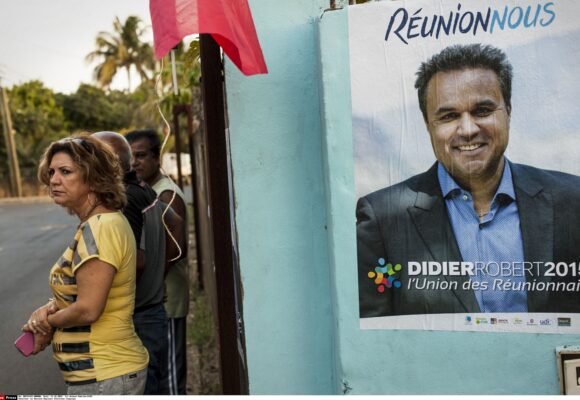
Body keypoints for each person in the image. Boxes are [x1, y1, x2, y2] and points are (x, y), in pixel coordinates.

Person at [357, 43, 580, 317]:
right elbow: (372, 340)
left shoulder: (573, 201)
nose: (468, 129)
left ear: (508, 111)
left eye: (483, 111)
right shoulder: (382, 220)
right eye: (449, 116)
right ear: (428, 125)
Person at [23, 135, 149, 394]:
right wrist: (50, 308)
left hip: (105, 374)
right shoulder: (98, 224)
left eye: (65, 171)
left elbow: (89, 309)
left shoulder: (101, 228)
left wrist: (48, 324)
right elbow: (85, 291)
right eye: (52, 172)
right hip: (102, 375)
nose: (54, 180)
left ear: (93, 177)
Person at [92, 131, 183, 394]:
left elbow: (136, 262)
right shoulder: (143, 190)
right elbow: (174, 222)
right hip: (150, 310)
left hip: (140, 316)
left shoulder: (126, 198)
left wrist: (96, 298)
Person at [126, 128, 189, 395]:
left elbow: (176, 250)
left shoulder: (166, 195)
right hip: (156, 298)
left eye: (141, 156)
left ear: (157, 157)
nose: (134, 163)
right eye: (130, 156)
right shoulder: (145, 191)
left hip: (167, 299)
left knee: (170, 379)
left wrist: (154, 283)